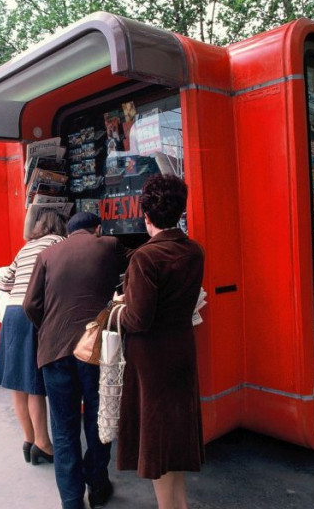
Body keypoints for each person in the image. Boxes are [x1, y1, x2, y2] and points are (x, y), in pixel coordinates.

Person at [24, 212, 130, 509]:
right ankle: (97, 486)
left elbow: (31, 305)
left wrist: (51, 329)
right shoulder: (108, 245)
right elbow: (139, 265)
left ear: (69, 233)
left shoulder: (47, 254)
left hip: (54, 351)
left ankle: (71, 501)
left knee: (63, 428)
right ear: (97, 229)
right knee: (100, 421)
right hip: (95, 351)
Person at [115, 174, 205, 509]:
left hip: (151, 361)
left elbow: (139, 318)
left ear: (146, 216)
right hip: (181, 350)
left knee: (156, 442)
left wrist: (116, 309)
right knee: (175, 438)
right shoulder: (194, 251)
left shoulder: (144, 258)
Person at [0, 208, 66, 466]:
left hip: (11, 314)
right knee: (35, 384)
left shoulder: (25, 248)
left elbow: (5, 285)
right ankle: (44, 444)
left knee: (18, 384)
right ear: (59, 224)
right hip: (31, 315)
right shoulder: (58, 242)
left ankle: (29, 439)